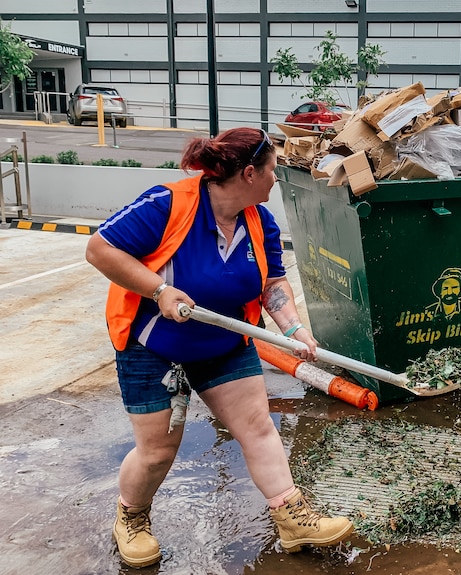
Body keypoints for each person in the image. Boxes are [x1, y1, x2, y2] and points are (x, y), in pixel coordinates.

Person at [85, 127, 353, 569]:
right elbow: (100, 250)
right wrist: (159, 291)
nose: (276, 180)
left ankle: (292, 518)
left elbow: (271, 283)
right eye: (273, 171)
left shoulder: (258, 220)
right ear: (249, 173)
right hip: (154, 345)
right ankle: (131, 518)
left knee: (257, 427)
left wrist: (293, 330)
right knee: (157, 451)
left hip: (224, 340)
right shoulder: (167, 204)